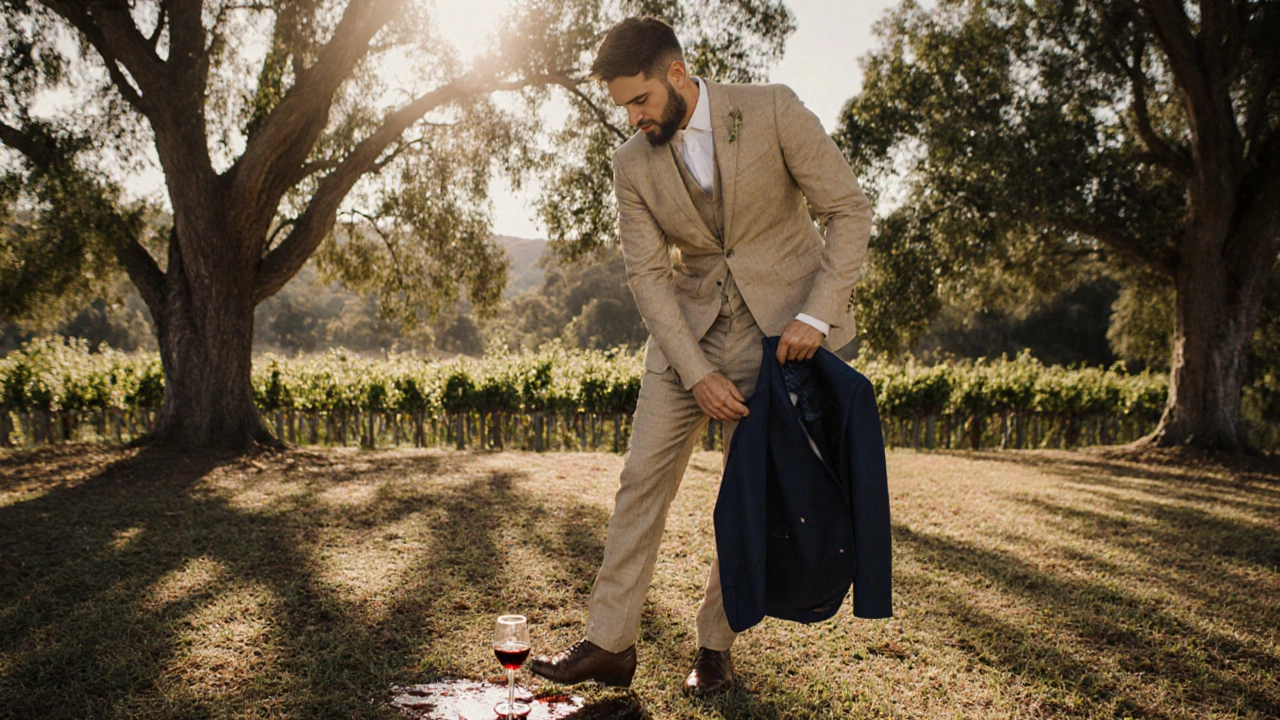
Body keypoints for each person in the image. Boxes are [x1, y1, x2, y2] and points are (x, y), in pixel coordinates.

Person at [530, 16, 872, 695]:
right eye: (623, 106)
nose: (632, 118)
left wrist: (815, 315)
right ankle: (610, 643)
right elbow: (647, 275)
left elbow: (849, 210)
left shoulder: (772, 109)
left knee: (744, 495)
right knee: (639, 483)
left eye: (640, 100)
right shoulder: (630, 164)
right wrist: (696, 372)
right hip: (686, 335)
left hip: (782, 337)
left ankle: (714, 648)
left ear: (678, 75)